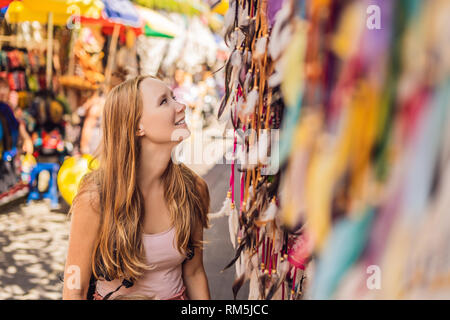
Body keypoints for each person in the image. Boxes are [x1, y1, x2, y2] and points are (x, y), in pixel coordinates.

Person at [62, 75, 211, 300]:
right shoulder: (96, 197)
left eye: (174, 97)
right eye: (164, 101)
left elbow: (194, 272)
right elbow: (75, 284)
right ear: (137, 125)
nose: (181, 106)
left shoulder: (193, 189)